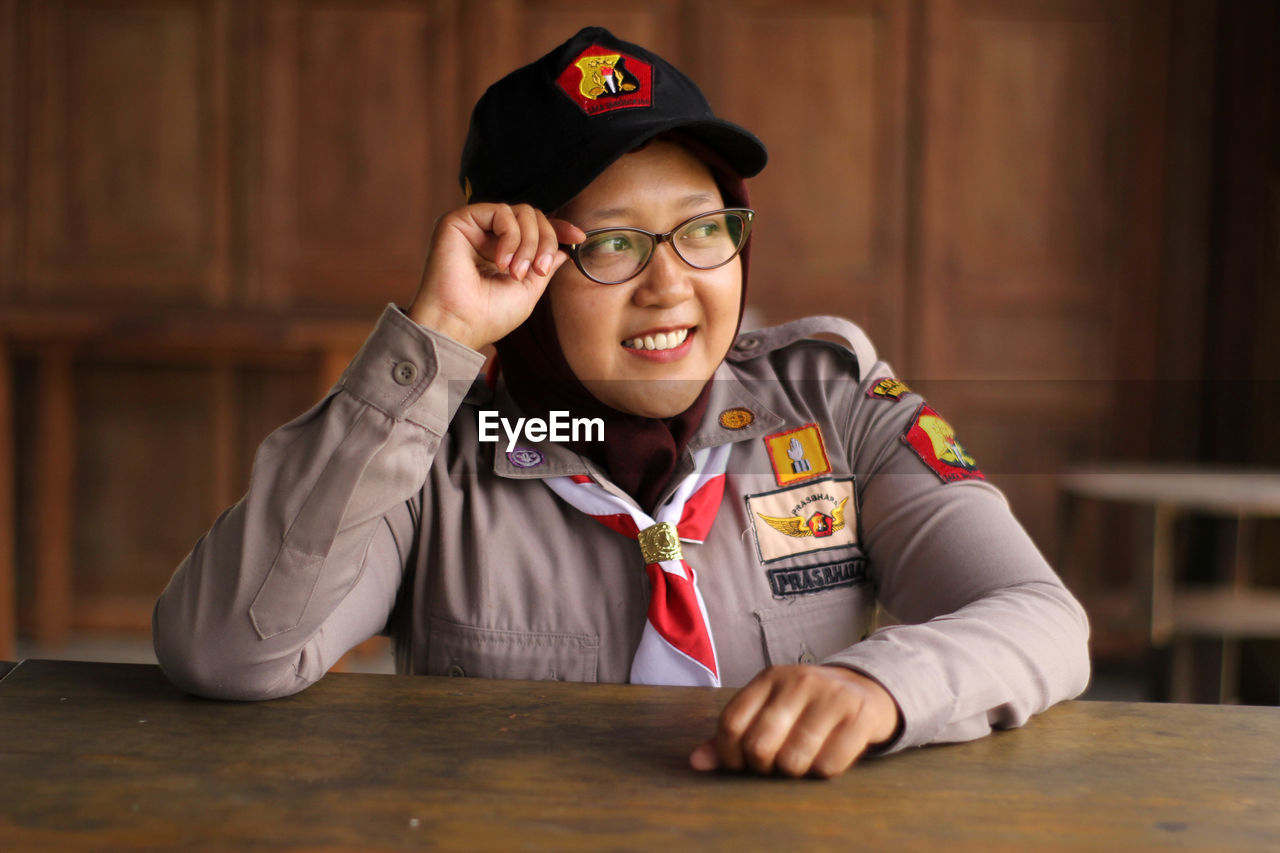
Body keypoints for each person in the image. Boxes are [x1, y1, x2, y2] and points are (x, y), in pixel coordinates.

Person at [154, 26, 1089, 778]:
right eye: (611, 246)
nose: (671, 286)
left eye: (703, 228)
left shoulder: (834, 404)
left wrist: (881, 686)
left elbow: (1038, 613)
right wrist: (434, 336)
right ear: (517, 272)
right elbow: (229, 651)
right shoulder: (431, 457)